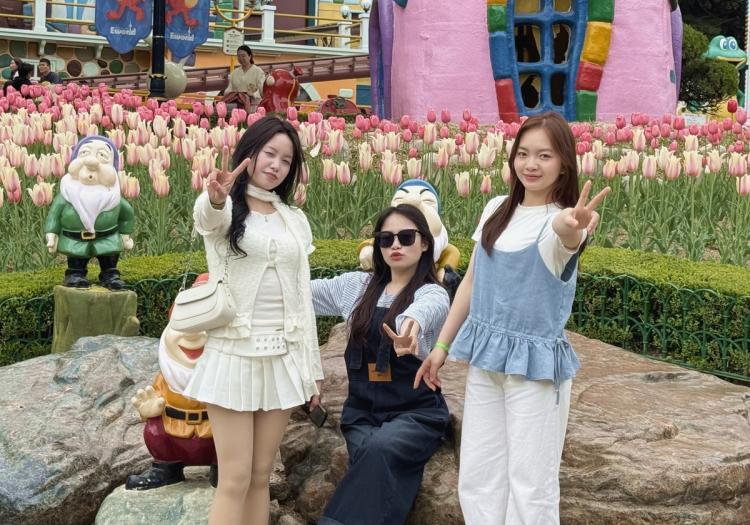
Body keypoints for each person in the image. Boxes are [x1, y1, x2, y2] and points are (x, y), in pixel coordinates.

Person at [415, 111, 610, 525]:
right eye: (523, 153)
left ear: (564, 164)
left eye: (544, 155)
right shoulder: (496, 209)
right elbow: (471, 282)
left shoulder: (559, 222)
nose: (531, 164)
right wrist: (441, 346)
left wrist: (572, 226)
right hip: (487, 361)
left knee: (531, 484)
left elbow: (567, 235)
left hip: (534, 369)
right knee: (478, 475)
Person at [182, 116, 323, 525]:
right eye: (269, 154)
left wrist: (310, 369)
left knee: (261, 477)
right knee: (235, 478)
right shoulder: (228, 206)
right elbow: (208, 219)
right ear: (251, 152)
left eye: (286, 160)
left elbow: (301, 296)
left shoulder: (293, 218)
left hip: (282, 356)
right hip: (234, 354)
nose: (276, 165)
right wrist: (215, 198)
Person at [311, 203, 451, 525]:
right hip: (362, 413)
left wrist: (409, 328)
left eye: (406, 237)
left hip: (416, 412)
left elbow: (423, 312)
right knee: (371, 453)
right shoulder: (356, 287)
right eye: (386, 239)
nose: (395, 245)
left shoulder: (432, 293)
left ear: (425, 243)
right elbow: (297, 294)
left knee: (379, 449)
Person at [224, 45, 266, 112]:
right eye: (239, 56)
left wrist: (253, 95)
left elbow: (262, 89)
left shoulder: (258, 71)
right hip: (237, 106)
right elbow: (230, 88)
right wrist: (227, 94)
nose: (241, 58)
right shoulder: (234, 73)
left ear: (250, 56)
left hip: (254, 107)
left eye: (243, 56)